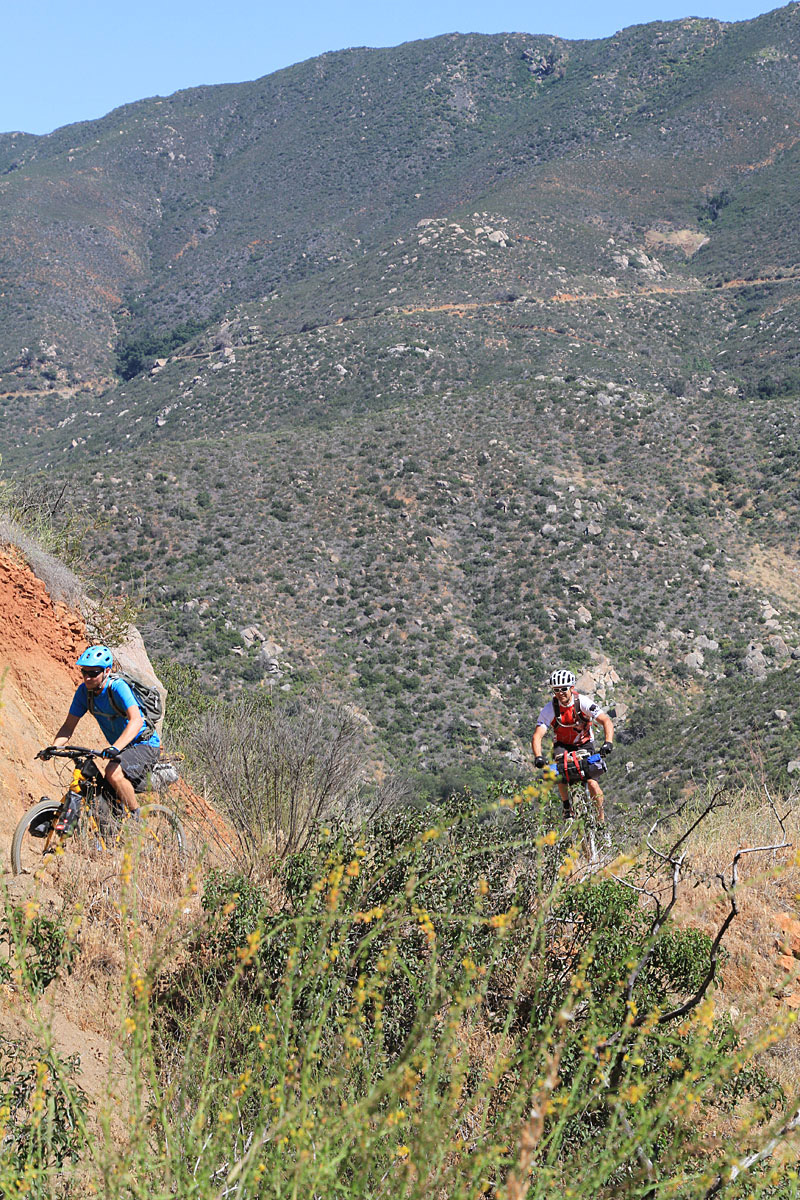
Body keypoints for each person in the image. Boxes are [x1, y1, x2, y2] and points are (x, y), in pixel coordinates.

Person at [44, 645, 160, 814]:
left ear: (106, 671)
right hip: (123, 748)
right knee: (100, 799)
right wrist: (53, 747)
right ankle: (111, 836)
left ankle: (136, 816)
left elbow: (136, 720)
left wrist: (115, 748)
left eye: (93, 673)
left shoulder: (118, 687)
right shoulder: (84, 692)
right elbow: (68, 727)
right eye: (84, 672)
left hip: (145, 744)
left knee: (112, 772)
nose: (87, 678)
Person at [532, 668, 614, 824]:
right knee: (560, 769)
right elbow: (537, 735)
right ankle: (567, 806)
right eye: (556, 690)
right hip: (563, 744)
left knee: (591, 781)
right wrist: (538, 757)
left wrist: (608, 742)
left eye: (564, 689)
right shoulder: (550, 709)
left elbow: (606, 721)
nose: (560, 693)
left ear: (571, 688)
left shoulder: (582, 702)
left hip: (584, 742)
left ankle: (601, 819)